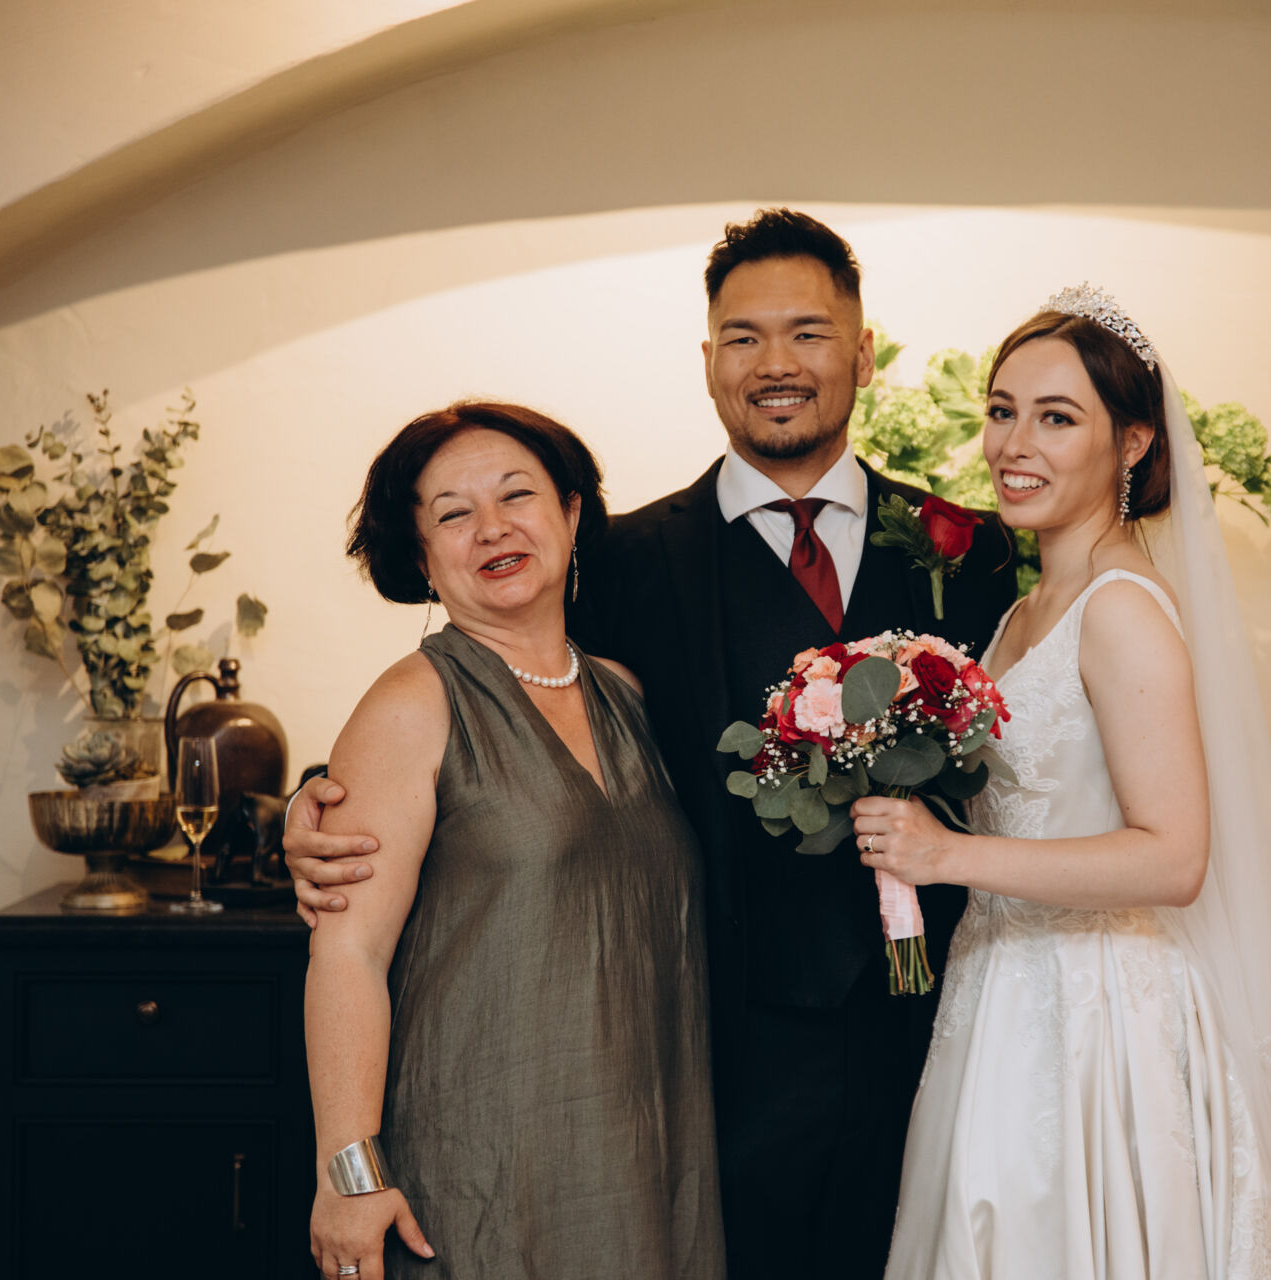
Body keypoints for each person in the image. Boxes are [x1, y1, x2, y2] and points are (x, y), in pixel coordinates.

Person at [286, 210, 1019, 1278]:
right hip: (703, 1070)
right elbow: (478, 719)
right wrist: (320, 798)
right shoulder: (622, 563)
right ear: (709, 360)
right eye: (744, 337)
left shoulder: (970, 550)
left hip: (941, 1035)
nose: (776, 363)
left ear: (862, 354)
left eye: (808, 333)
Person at [849, 290, 1271, 1278]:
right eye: (1002, 410)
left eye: (1056, 417)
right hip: (1001, 992)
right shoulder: (1025, 609)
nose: (1013, 444)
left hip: (1099, 1017)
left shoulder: (1121, 608)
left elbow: (1174, 859)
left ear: (1132, 442)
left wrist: (947, 854)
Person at [302, 402, 722, 1280]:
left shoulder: (625, 693)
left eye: (516, 495)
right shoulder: (412, 703)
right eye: (453, 513)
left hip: (648, 1156)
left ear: (570, 513)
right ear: (423, 558)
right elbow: (348, 953)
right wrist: (349, 1176)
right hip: (484, 1164)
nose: (492, 527)